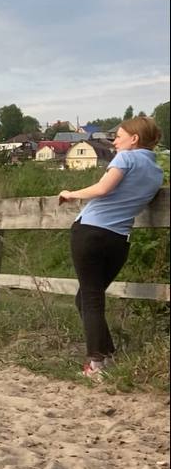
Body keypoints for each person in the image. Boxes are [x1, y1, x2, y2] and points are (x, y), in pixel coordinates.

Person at [57, 116, 165, 380]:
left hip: (92, 233)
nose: (115, 141)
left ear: (134, 139)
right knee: (84, 298)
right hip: (119, 241)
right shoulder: (157, 171)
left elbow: (104, 188)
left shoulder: (126, 158)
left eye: (118, 136)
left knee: (91, 299)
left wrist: (71, 193)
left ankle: (96, 364)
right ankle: (107, 352)